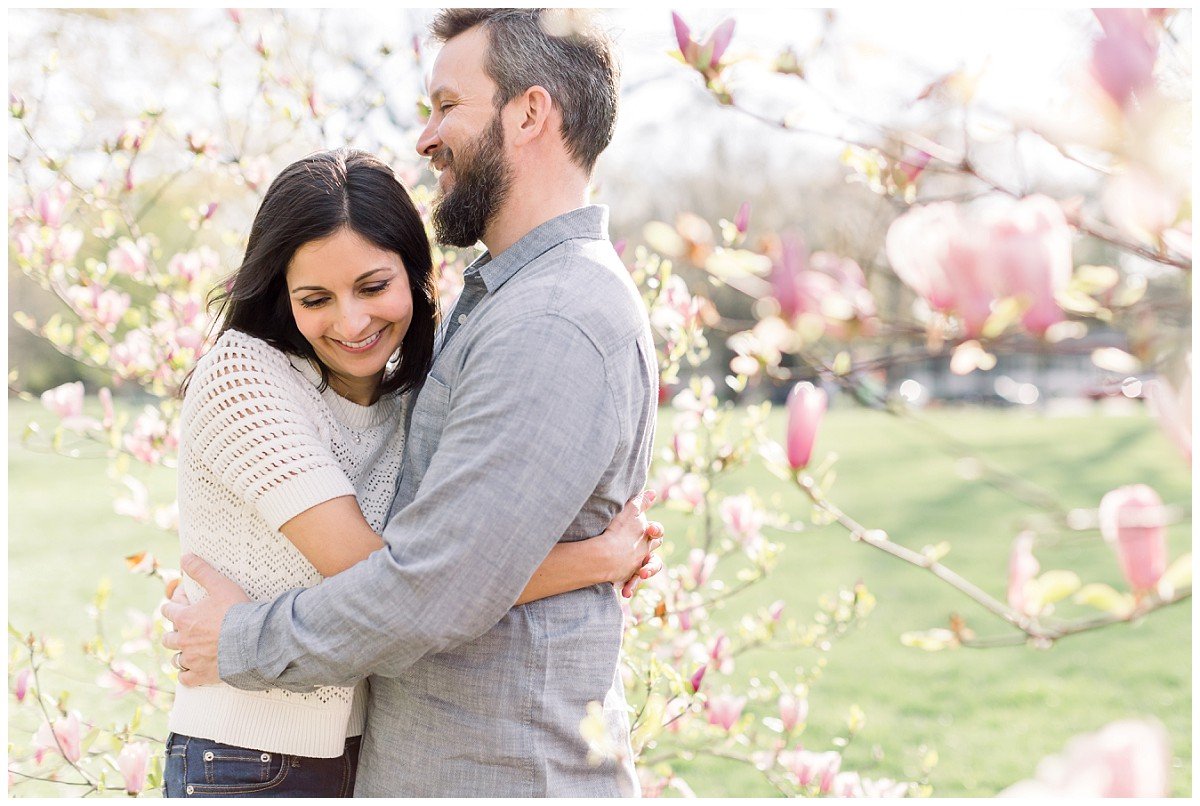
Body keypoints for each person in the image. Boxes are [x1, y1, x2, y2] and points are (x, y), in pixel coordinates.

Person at [163, 8, 657, 796]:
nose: (425, 137)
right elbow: (434, 568)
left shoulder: (553, 318)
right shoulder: (502, 300)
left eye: (447, 105)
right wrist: (590, 561)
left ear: (530, 112)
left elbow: (431, 586)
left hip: (502, 772)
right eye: (317, 296)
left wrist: (241, 641)